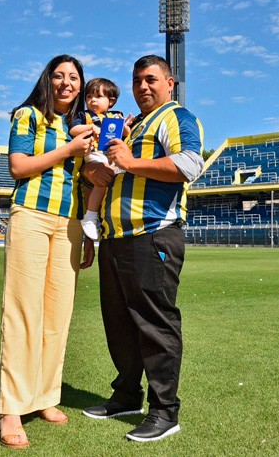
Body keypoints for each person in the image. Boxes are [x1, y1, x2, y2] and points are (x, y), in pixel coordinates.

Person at [81, 55, 204, 442]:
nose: (142, 87)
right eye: (137, 81)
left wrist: (132, 162)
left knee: (155, 324)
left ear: (170, 83)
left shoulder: (177, 117)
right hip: (116, 238)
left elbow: (189, 164)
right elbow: (108, 168)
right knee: (119, 323)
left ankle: (165, 411)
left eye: (151, 79)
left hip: (153, 235)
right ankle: (126, 395)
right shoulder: (131, 125)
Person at [0, 54, 96, 449]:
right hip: (32, 216)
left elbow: (87, 182)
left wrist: (88, 233)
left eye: (73, 77)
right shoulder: (28, 116)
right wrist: (69, 148)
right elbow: (18, 167)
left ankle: (45, 397)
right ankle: (11, 408)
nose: (66, 83)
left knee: (58, 315)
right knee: (23, 313)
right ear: (47, 80)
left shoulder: (82, 126)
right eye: (59, 76)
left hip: (69, 223)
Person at [68, 77, 127, 240]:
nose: (92, 100)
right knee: (102, 182)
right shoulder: (85, 115)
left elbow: (126, 134)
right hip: (95, 155)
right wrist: (90, 127)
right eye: (89, 97)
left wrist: (126, 127)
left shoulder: (116, 116)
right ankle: (90, 216)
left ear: (111, 101)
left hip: (113, 156)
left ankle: (105, 217)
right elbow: (73, 129)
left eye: (98, 96)